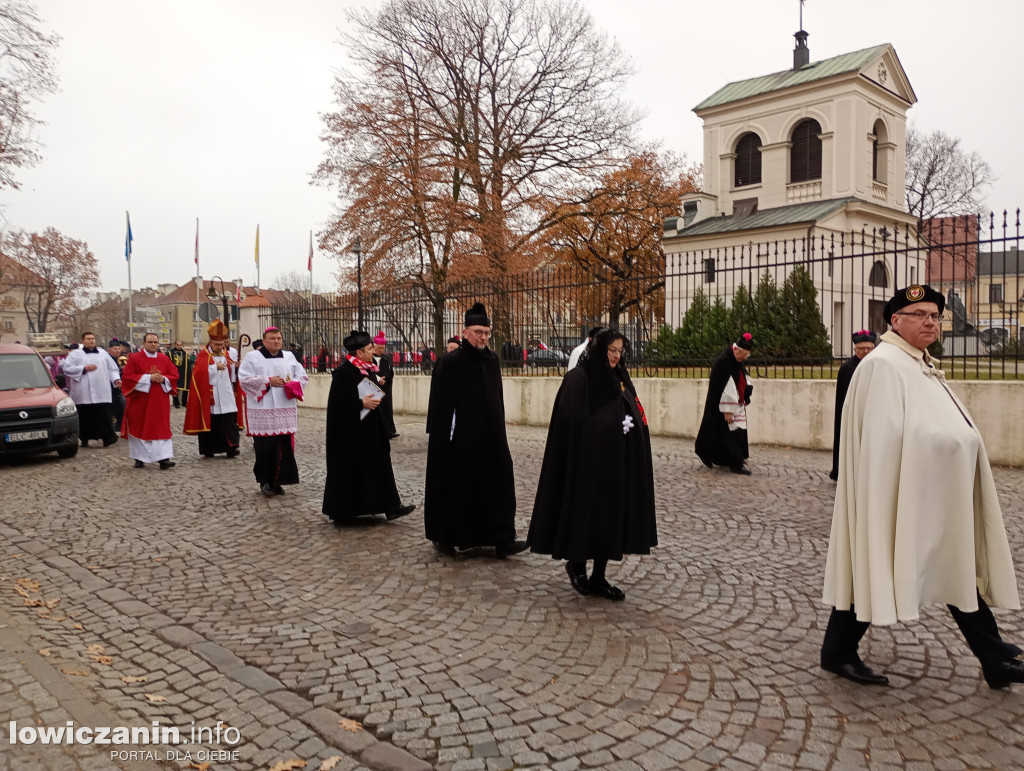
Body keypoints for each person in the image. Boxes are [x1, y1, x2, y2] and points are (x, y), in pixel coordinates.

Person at [821, 284, 1023, 689]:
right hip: (901, 494)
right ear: (895, 321)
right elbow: (884, 440)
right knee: (877, 561)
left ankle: (994, 656)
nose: (930, 321)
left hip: (932, 493)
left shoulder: (917, 362)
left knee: (951, 565)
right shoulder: (884, 365)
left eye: (935, 315)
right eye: (920, 315)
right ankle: (837, 652)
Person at [528, 329, 658, 601]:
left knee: (610, 521)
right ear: (600, 349)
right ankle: (577, 566)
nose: (615, 356)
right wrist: (605, 430)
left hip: (615, 466)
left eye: (620, 351)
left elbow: (632, 410)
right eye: (611, 350)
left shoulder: (619, 377)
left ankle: (599, 576)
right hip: (586, 467)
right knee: (585, 516)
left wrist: (631, 430)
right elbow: (569, 425)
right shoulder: (579, 379)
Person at [424, 302, 527, 558]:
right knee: (460, 490)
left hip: (492, 439)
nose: (483, 337)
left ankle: (503, 539)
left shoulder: (492, 360)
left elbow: (497, 399)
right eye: (478, 332)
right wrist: (444, 443)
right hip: (462, 441)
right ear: (465, 331)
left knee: (499, 484)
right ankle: (451, 537)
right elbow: (442, 408)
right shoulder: (450, 362)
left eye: (486, 332)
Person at [322, 330, 416, 523]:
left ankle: (391, 506)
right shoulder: (344, 373)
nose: (373, 351)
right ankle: (345, 511)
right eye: (369, 348)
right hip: (352, 435)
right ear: (358, 353)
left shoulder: (368, 368)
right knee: (354, 471)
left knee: (380, 466)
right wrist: (360, 404)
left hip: (373, 430)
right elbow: (336, 407)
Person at [238, 326, 309, 497]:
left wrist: (292, 384)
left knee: (282, 448)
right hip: (262, 410)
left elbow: (303, 377)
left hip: (284, 409)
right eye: (272, 338)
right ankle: (265, 482)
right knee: (265, 448)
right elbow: (244, 380)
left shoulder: (290, 356)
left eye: (279, 338)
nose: (277, 341)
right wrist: (268, 381)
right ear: (264, 341)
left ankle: (278, 481)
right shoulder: (252, 357)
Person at [183, 320, 245, 459]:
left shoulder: (225, 355)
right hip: (212, 396)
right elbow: (198, 373)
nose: (220, 347)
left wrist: (235, 367)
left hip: (227, 394)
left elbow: (232, 375)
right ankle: (208, 449)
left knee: (229, 422)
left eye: (222, 344)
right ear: (211, 343)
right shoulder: (203, 356)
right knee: (213, 423)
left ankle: (231, 448)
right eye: (217, 344)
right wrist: (214, 367)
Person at [694, 333, 754, 475]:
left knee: (728, 432)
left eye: (747, 355)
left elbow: (740, 378)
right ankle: (735, 463)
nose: (745, 358)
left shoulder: (737, 359)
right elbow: (724, 387)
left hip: (736, 403)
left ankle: (724, 456)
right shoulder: (723, 362)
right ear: (737, 350)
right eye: (744, 355)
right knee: (730, 432)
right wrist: (728, 409)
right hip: (724, 406)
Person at [120, 332, 178, 469]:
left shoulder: (164, 359)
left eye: (155, 342)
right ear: (144, 343)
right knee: (139, 427)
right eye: (150, 342)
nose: (153, 344)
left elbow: (174, 374)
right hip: (140, 400)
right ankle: (139, 458)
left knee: (161, 428)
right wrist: (148, 378)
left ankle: (164, 459)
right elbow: (127, 376)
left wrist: (164, 379)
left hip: (159, 401)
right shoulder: (135, 358)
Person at [828, 330, 877, 481]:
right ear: (855, 349)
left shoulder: (878, 365)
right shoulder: (847, 368)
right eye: (862, 348)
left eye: (869, 348)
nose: (866, 351)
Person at [63, 332, 121, 448]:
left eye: (93, 338)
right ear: (83, 341)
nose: (91, 341)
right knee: (85, 417)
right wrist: (83, 368)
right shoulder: (75, 354)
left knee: (103, 416)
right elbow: (67, 368)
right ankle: (84, 438)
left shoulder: (103, 354)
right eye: (88, 339)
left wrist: (116, 380)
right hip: (83, 391)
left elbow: (112, 369)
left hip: (101, 390)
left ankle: (108, 438)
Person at [372, 331, 398, 438]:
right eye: (379, 348)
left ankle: (389, 431)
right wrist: (377, 378)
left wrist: (385, 378)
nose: (382, 350)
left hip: (386, 388)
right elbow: (368, 371)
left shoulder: (386, 359)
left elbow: (390, 372)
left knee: (387, 409)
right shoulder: (370, 358)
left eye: (383, 348)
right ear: (374, 347)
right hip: (374, 387)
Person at [106, 338, 128, 432]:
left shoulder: (123, 359)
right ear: (109, 349)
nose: (118, 351)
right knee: (111, 408)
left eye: (119, 349)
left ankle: (120, 426)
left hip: (122, 387)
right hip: (109, 387)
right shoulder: (106, 359)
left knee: (121, 407)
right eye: (115, 349)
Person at [168, 340, 189, 408]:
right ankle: (176, 403)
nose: (179, 346)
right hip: (175, 372)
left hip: (184, 372)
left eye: (180, 345)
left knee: (185, 387)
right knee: (175, 388)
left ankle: (184, 402)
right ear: (175, 345)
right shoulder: (170, 353)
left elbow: (187, 363)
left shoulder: (185, 353)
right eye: (178, 345)